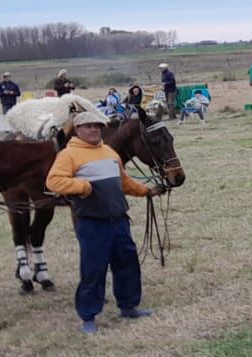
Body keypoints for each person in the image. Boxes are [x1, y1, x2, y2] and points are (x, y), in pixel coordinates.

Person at [45, 110, 164, 334]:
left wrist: (147, 191)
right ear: (77, 130)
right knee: (93, 269)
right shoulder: (69, 155)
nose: (93, 130)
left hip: (119, 219)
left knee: (127, 263)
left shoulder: (109, 152)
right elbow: (54, 181)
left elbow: (124, 182)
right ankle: (88, 316)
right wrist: (81, 187)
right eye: (88, 126)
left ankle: (128, 306)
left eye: (97, 126)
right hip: (92, 222)